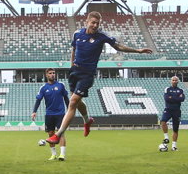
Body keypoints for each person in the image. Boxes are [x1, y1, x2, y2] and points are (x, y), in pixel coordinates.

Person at [44, 11, 152, 144]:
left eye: (97, 23)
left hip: (87, 75)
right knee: (77, 103)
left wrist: (137, 50)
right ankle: (87, 121)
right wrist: (71, 66)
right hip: (74, 72)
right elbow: (74, 49)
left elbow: (118, 46)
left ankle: (58, 135)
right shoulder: (77, 34)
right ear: (87, 22)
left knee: (72, 102)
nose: (95, 25)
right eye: (93, 22)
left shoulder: (101, 36)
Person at [32, 68, 69, 161]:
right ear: (47, 75)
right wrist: (34, 111)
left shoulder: (61, 85)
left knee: (60, 133)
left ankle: (62, 155)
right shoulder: (43, 88)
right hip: (49, 114)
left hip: (60, 113)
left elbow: (66, 98)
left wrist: (69, 109)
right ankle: (53, 155)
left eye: (53, 73)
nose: (52, 74)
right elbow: (38, 100)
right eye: (50, 73)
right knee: (50, 134)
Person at [160, 75, 186, 151]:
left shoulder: (181, 90)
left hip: (177, 111)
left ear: (178, 81)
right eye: (173, 80)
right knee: (163, 121)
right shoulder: (167, 89)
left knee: (175, 129)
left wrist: (172, 98)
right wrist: (177, 98)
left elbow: (182, 99)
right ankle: (166, 137)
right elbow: (167, 98)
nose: (174, 81)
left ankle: (174, 146)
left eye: (175, 80)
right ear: (171, 81)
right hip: (168, 110)